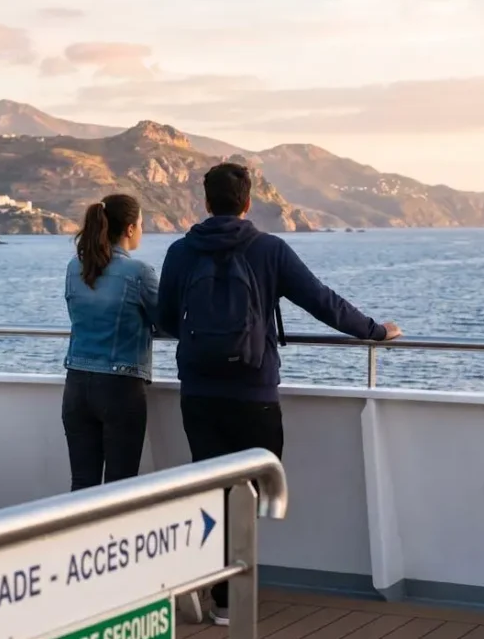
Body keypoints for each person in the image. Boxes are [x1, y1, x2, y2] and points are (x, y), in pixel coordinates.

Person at [157, 162, 402, 625]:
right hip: (254, 392)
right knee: (250, 492)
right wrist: (374, 330)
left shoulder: (180, 252)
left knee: (212, 487)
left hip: (200, 392)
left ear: (205, 203)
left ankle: (210, 585)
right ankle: (231, 598)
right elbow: (321, 301)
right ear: (248, 202)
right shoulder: (269, 250)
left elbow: (165, 318)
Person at [62, 193, 158, 491]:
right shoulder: (138, 272)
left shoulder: (74, 268)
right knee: (120, 487)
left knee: (82, 483)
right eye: (141, 224)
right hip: (120, 387)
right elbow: (166, 320)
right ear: (130, 229)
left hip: (77, 385)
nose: (141, 230)